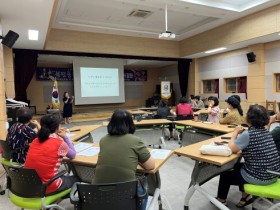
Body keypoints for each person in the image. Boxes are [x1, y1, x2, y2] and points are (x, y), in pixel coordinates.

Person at [216, 104, 280, 207]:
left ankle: (221, 200)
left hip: (260, 177)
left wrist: (235, 132)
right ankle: (245, 198)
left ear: (249, 118)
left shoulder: (248, 134)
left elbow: (231, 148)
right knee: (239, 167)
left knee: (225, 174)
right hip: (273, 175)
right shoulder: (267, 132)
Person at [92, 109, 155, 210]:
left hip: (99, 197)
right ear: (130, 124)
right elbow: (150, 166)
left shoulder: (103, 140)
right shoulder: (135, 140)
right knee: (144, 184)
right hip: (125, 197)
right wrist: (136, 158)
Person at [25, 114, 79, 195]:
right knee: (77, 178)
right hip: (47, 186)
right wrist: (65, 137)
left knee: (61, 174)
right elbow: (73, 155)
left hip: (31, 185)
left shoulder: (35, 140)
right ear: (57, 127)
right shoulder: (59, 143)